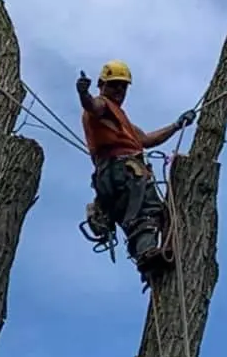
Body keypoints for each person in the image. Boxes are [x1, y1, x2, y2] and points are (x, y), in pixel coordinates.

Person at [77, 60, 196, 280]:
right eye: (114, 85)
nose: (119, 90)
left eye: (123, 86)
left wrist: (177, 125)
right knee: (146, 211)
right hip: (122, 171)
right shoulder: (102, 106)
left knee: (145, 214)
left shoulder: (120, 119)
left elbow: (147, 139)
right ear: (101, 85)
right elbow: (91, 106)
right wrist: (83, 93)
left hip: (111, 176)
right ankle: (146, 254)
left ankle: (147, 255)